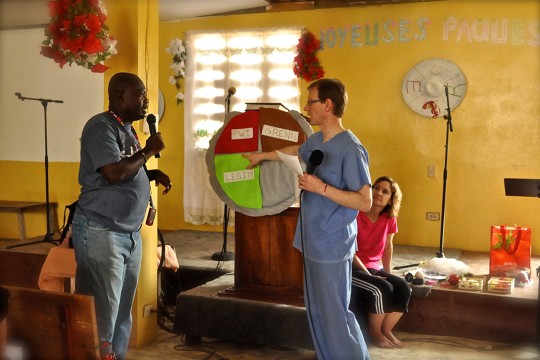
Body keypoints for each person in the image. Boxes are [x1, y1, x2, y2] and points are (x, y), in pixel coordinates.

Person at [243, 78, 372, 360]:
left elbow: (365, 201)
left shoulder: (351, 148)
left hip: (333, 243)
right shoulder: (317, 140)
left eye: (310, 101)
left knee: (334, 313)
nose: (305, 107)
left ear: (328, 105)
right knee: (318, 313)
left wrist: (321, 188)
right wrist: (262, 155)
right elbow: (296, 151)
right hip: (312, 239)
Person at [72, 72, 172, 360]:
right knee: (102, 314)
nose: (147, 100)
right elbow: (114, 174)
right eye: (141, 94)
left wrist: (151, 173)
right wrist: (149, 151)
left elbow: (127, 168)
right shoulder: (100, 127)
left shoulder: (127, 128)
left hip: (128, 233)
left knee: (121, 312)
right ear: (119, 96)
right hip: (101, 230)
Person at [351, 175, 410, 349]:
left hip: (373, 267)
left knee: (403, 287)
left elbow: (387, 247)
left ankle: (386, 330)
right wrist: (371, 275)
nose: (378, 193)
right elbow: (349, 251)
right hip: (351, 267)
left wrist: (388, 272)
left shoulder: (389, 218)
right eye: (376, 188)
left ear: (391, 199)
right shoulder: (356, 214)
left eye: (385, 191)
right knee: (381, 288)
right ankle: (374, 332)